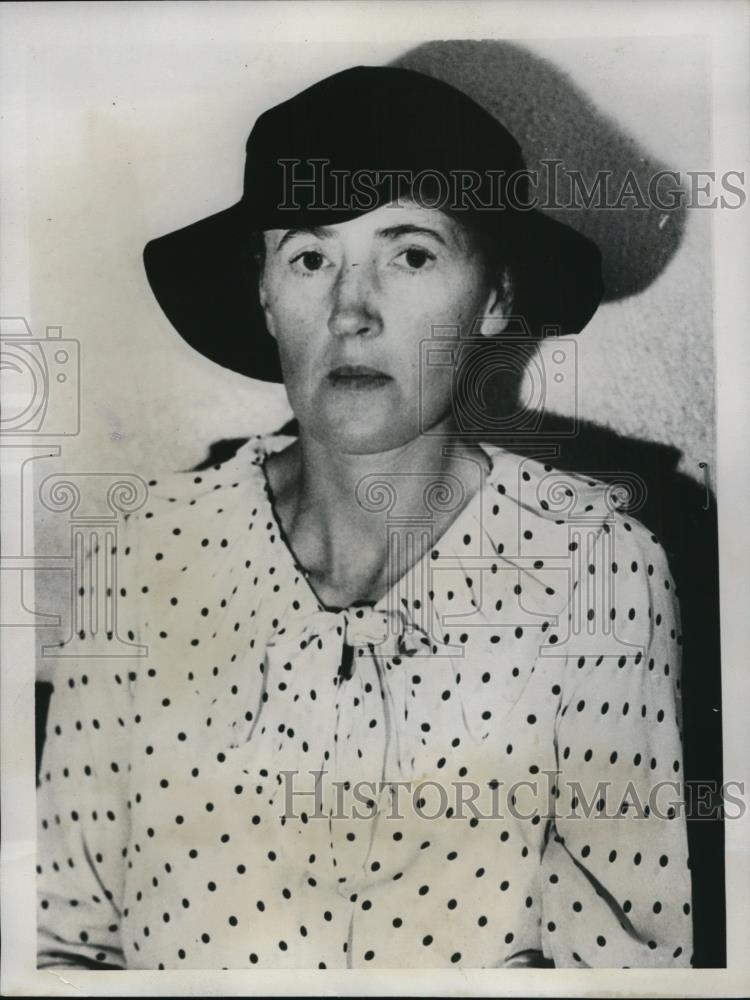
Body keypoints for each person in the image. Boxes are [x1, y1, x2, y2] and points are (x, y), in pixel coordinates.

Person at [36, 65, 692, 970]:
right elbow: (59, 943)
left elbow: (636, 971)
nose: (351, 312)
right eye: (311, 257)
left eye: (412, 253)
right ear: (265, 294)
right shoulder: (140, 560)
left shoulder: (599, 571)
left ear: (495, 298)